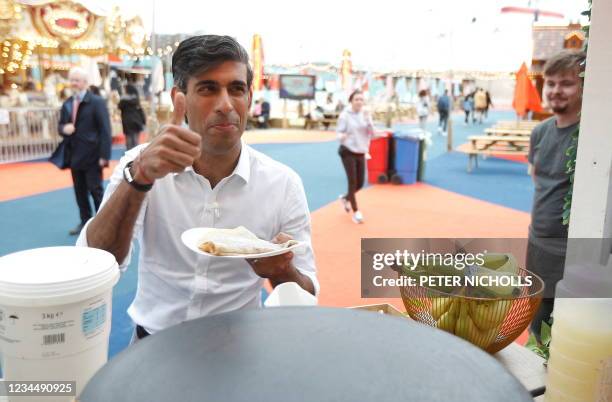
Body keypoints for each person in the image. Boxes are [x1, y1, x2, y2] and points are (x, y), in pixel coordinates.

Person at [76, 35, 318, 341]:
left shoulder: (282, 184)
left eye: (236, 89)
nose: (226, 104)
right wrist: (139, 179)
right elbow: (95, 264)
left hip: (239, 350)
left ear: (250, 97)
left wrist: (281, 270)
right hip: (154, 343)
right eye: (208, 89)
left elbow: (308, 295)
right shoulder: (140, 165)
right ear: (180, 98)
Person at [527, 49, 586, 340]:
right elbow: (538, 182)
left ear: (584, 87)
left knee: (567, 334)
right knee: (535, 324)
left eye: (566, 83)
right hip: (537, 245)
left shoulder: (590, 136)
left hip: (571, 253)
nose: (555, 90)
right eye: (550, 83)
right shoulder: (539, 132)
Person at [58, 67, 111, 236]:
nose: (74, 83)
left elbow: (105, 130)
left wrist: (104, 155)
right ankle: (85, 222)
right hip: (74, 155)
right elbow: (61, 126)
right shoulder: (67, 102)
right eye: (72, 79)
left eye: (77, 80)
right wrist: (63, 128)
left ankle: (103, 224)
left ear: (85, 83)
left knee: (96, 191)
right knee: (79, 192)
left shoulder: (96, 102)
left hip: (93, 155)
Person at [336, 90, 374, 224]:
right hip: (347, 151)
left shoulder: (365, 115)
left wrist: (369, 119)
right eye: (356, 99)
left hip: (361, 151)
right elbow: (338, 134)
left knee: (360, 183)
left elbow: (371, 132)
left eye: (361, 99)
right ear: (351, 101)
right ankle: (356, 212)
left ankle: (345, 198)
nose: (359, 102)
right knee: (352, 182)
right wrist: (343, 136)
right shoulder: (345, 116)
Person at [118, 83, 147, 150]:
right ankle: (135, 156)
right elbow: (140, 111)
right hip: (136, 121)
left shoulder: (123, 100)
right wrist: (143, 121)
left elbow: (119, 107)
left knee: (129, 140)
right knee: (135, 140)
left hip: (127, 122)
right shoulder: (136, 99)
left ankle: (129, 157)